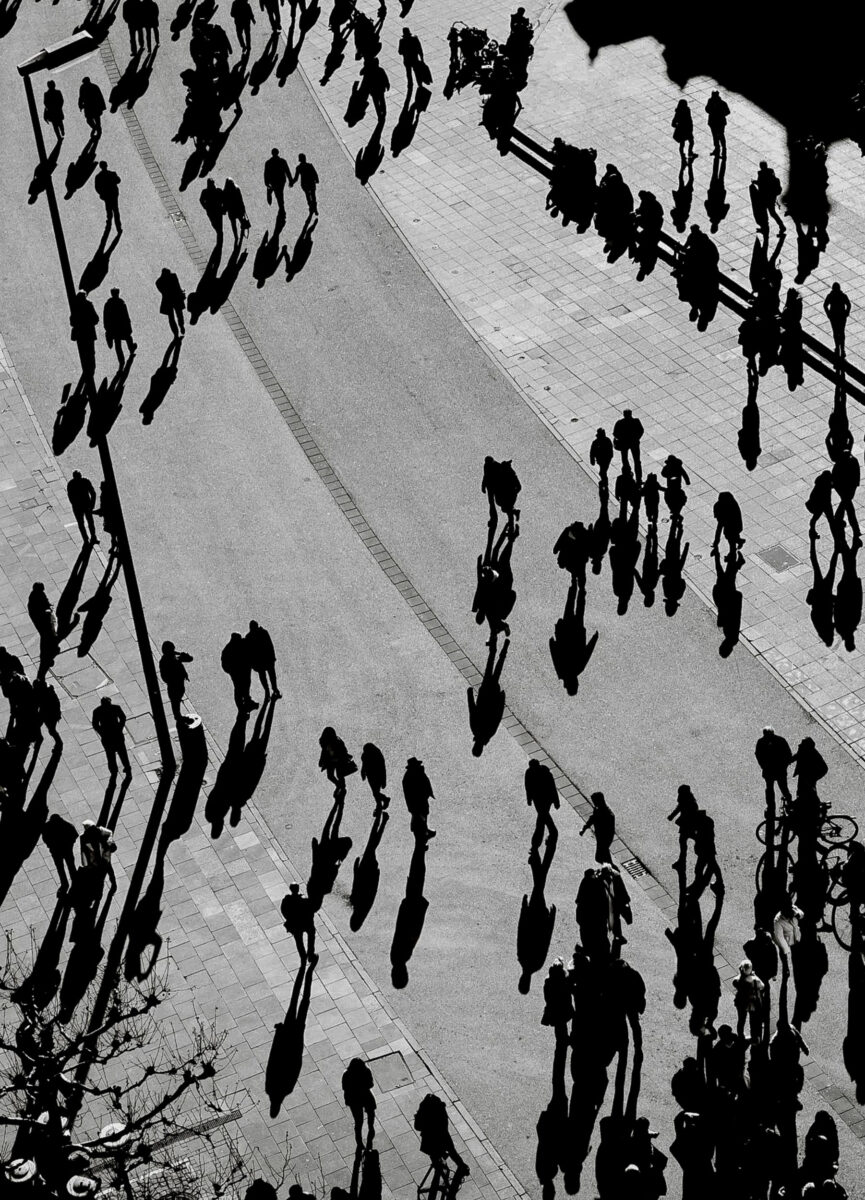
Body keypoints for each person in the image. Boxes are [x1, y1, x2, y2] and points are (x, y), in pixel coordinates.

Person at [413, 1094, 469, 1179]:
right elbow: (445, 1124)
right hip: (444, 1137)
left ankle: (441, 1168)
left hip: (430, 1140)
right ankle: (462, 1166)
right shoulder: (441, 1109)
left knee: (435, 1156)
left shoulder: (424, 1114)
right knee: (452, 1151)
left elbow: (417, 1127)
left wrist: (417, 1116)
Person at [91, 696, 132, 776]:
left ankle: (114, 770)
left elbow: (95, 724)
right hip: (117, 734)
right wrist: (120, 727)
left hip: (107, 736)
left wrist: (102, 733)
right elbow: (123, 718)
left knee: (110, 755)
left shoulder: (97, 711)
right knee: (122, 753)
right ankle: (127, 767)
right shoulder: (116, 708)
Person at [341, 1057, 376, 1148]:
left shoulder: (346, 1074)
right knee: (370, 1112)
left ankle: (359, 1140)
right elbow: (371, 1084)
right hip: (365, 1095)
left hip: (354, 1099)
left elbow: (344, 1088)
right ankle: (370, 1127)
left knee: (358, 1121)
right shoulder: (366, 1071)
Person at [524, 757, 559, 847]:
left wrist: (529, 799)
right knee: (543, 816)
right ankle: (552, 832)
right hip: (542, 799)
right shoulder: (532, 772)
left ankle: (537, 842)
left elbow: (552, 787)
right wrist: (556, 801)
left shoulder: (533, 773)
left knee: (542, 817)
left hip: (542, 799)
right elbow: (528, 787)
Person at [754, 725, 793, 804]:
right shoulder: (781, 740)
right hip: (780, 769)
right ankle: (789, 802)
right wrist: (785, 765)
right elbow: (788, 754)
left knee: (770, 788)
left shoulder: (761, 742)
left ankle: (771, 806)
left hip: (768, 770)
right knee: (783, 787)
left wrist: (763, 766)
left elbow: (758, 755)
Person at [221, 631, 258, 713]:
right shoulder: (228, 650)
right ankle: (241, 709)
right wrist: (233, 672)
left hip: (245, 671)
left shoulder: (240, 644)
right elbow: (225, 665)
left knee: (246, 686)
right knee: (238, 690)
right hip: (237, 674)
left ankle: (247, 701)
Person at [42, 813, 79, 893]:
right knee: (71, 866)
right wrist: (69, 844)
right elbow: (75, 835)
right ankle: (75, 883)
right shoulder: (67, 825)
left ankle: (64, 884)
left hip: (56, 852)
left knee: (60, 868)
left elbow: (45, 838)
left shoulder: (47, 827)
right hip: (67, 850)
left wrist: (50, 845)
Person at [280, 882, 317, 962]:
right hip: (306, 922)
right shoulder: (304, 899)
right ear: (298, 889)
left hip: (295, 924)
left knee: (299, 941)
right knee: (311, 935)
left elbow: (283, 911)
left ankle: (303, 956)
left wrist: (289, 919)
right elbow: (311, 910)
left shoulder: (286, 900)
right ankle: (310, 954)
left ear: (291, 889)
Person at [402, 755, 436, 841]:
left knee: (422, 816)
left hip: (421, 800)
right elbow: (409, 795)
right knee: (419, 817)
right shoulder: (410, 777)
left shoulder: (417, 772)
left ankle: (424, 832)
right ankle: (422, 838)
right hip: (417, 802)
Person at [159, 640, 193, 723]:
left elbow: (190, 659)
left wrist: (180, 654)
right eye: (172, 650)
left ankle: (178, 716)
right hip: (174, 685)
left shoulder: (174, 657)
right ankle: (178, 718)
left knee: (178, 698)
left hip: (179, 684)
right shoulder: (166, 661)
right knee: (175, 701)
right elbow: (164, 677)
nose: (174, 651)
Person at [246, 620, 281, 700]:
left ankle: (267, 691)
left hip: (258, 661)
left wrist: (252, 664)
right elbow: (270, 645)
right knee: (272, 675)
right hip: (268, 659)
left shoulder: (249, 636)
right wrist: (273, 657)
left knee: (263, 676)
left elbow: (248, 652)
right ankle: (275, 690)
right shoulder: (263, 632)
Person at [732, 959, 765, 1042]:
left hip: (741, 1002)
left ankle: (741, 1035)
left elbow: (736, 984)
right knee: (753, 1021)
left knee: (741, 1020)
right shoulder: (755, 980)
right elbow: (762, 986)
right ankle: (754, 1037)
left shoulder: (736, 980)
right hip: (752, 1003)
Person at [318, 727, 357, 796]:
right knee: (332, 776)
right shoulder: (326, 742)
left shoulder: (336, 741)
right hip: (331, 761)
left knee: (338, 775)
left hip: (338, 761)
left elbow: (344, 751)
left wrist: (338, 757)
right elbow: (324, 752)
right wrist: (322, 761)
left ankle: (341, 787)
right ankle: (340, 786)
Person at [102, 289, 136, 366]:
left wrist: (107, 327)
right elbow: (126, 316)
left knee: (118, 345)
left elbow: (105, 317)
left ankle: (121, 361)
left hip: (113, 328)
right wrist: (129, 326)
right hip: (122, 326)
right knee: (128, 338)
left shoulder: (108, 304)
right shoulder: (121, 303)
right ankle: (131, 349)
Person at [70, 290, 100, 377]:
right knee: (91, 351)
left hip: (80, 333)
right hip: (89, 332)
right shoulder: (89, 305)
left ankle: (86, 369)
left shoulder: (75, 307)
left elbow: (72, 322)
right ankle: (92, 368)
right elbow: (96, 319)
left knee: (83, 351)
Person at [579, 790, 615, 863]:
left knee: (600, 857)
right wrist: (584, 828)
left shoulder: (608, 814)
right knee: (603, 857)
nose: (594, 803)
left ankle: (609, 870)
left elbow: (609, 829)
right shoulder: (598, 809)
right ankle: (609, 869)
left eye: (594, 801)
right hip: (600, 837)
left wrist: (584, 828)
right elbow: (593, 818)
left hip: (604, 838)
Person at [79, 819, 117, 886]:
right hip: (95, 858)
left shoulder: (100, 830)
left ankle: (113, 882)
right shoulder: (84, 837)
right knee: (106, 869)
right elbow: (83, 851)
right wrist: (85, 863)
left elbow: (110, 833)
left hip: (104, 855)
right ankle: (110, 882)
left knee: (108, 868)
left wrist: (109, 841)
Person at [67, 470, 99, 545]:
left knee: (83, 523)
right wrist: (92, 505)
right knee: (88, 522)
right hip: (84, 505)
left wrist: (91, 505)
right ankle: (91, 538)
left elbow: (70, 497)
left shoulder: (71, 484)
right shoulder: (85, 481)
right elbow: (93, 493)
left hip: (79, 506)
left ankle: (87, 539)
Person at [612, 409, 644, 481]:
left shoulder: (620, 423)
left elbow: (615, 433)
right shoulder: (636, 421)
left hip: (624, 444)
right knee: (637, 461)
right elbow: (641, 430)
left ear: (623, 414)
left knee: (625, 459)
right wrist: (636, 438)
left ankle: (627, 473)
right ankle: (639, 478)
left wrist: (621, 438)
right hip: (634, 443)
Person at [824, 282, 851, 360]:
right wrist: (847, 312)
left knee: (836, 332)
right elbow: (848, 304)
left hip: (834, 317)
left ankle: (837, 347)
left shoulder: (830, 296)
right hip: (842, 317)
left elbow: (825, 305)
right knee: (841, 333)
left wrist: (828, 314)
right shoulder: (843, 296)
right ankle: (842, 350)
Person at [155, 268, 186, 338]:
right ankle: (181, 326)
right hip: (176, 298)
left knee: (171, 318)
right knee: (179, 314)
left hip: (167, 301)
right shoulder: (173, 276)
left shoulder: (158, 282)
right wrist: (181, 293)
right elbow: (178, 287)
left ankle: (176, 333)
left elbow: (163, 292)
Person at [94, 161, 123, 236]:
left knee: (109, 210)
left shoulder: (98, 177)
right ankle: (119, 228)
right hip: (113, 194)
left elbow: (97, 188)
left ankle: (108, 225)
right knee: (116, 210)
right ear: (107, 165)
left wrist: (101, 194)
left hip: (106, 196)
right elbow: (118, 181)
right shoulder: (112, 174)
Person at [773, 894, 803, 959]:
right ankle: (785, 964)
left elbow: (801, 914)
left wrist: (799, 915)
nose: (790, 908)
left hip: (796, 935)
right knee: (782, 949)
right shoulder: (778, 921)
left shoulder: (793, 909)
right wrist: (787, 950)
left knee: (797, 955)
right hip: (787, 939)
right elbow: (780, 937)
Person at [264, 148, 293, 216]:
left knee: (278, 194)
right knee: (279, 194)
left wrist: (266, 182)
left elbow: (266, 174)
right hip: (281, 181)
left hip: (273, 181)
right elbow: (287, 171)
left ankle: (281, 208)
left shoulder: (268, 162)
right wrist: (290, 180)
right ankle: (281, 208)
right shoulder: (282, 161)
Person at [360, 741, 389, 808]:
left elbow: (382, 768)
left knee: (375, 792)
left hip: (375, 775)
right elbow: (364, 766)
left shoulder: (373, 755)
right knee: (375, 792)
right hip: (371, 776)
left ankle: (382, 801)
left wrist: (363, 773)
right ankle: (380, 803)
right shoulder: (368, 755)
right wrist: (363, 773)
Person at [222, 176, 251, 242]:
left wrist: (224, 210)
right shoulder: (237, 188)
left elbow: (225, 203)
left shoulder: (225, 192)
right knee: (242, 221)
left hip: (231, 211)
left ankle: (236, 237)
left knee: (233, 224)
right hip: (239, 210)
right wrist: (243, 209)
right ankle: (242, 231)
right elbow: (241, 200)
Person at [705, 89, 729, 157]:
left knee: (720, 135)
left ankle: (723, 149)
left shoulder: (722, 103)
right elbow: (707, 109)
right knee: (716, 136)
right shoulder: (712, 101)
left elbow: (727, 111)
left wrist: (719, 114)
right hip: (715, 122)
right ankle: (718, 148)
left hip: (718, 122)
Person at [671, 98, 695, 163]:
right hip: (687, 130)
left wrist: (678, 126)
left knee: (682, 144)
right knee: (691, 142)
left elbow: (673, 124)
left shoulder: (679, 112)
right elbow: (689, 120)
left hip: (682, 130)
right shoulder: (687, 110)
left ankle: (683, 156)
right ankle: (690, 152)